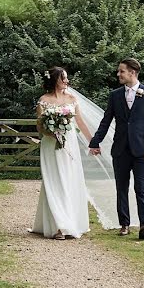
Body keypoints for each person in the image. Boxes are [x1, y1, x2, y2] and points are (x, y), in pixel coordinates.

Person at [88, 58, 144, 240]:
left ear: (132, 73)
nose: (118, 74)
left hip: (142, 150)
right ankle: (124, 224)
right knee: (121, 187)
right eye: (119, 71)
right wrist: (95, 142)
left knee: (140, 187)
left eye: (121, 71)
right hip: (120, 150)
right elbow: (106, 121)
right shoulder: (115, 95)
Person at [31, 67, 93, 240]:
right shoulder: (43, 101)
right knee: (54, 180)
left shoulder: (72, 99)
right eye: (63, 78)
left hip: (69, 145)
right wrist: (51, 133)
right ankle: (59, 226)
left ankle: (69, 221)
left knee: (69, 179)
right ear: (55, 80)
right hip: (51, 145)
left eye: (66, 78)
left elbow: (79, 122)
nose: (67, 81)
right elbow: (39, 127)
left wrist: (92, 142)